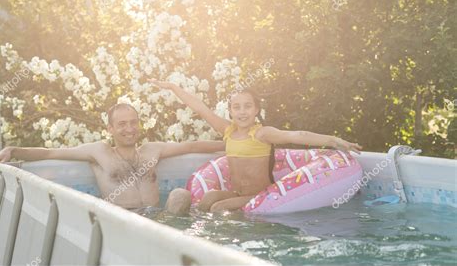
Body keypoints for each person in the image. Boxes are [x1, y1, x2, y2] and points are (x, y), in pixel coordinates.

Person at [149, 79, 362, 213]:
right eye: (236, 107)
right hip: (236, 192)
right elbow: (200, 108)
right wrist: (173, 87)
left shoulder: (261, 133)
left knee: (218, 207)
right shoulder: (228, 130)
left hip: (260, 195)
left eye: (247, 106)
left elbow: (297, 135)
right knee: (208, 199)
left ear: (257, 109)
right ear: (230, 111)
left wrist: (334, 141)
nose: (242, 112)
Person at [0, 103, 224, 215]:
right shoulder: (99, 151)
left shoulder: (152, 149)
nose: (129, 129)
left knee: (180, 196)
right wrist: (13, 150)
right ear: (110, 128)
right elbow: (51, 153)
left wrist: (233, 145)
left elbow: (192, 145)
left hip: (158, 217)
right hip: (121, 219)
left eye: (133, 123)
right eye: (122, 124)